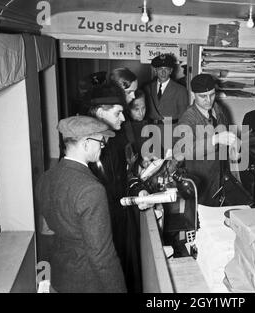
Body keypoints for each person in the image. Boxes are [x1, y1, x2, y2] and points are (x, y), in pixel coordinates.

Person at [35, 115, 126, 293]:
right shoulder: (91, 189)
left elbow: (46, 234)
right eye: (100, 141)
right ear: (85, 143)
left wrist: (43, 281)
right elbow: (102, 256)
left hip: (60, 276)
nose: (102, 146)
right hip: (89, 282)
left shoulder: (45, 179)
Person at [86, 91, 148, 293]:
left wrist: (138, 190)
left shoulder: (116, 140)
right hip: (102, 227)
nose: (123, 117)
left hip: (122, 221)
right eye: (118, 113)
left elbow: (127, 174)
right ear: (100, 113)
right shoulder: (85, 148)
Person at [176, 74, 239, 206]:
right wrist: (214, 139)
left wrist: (233, 145)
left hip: (221, 175)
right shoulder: (188, 118)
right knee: (200, 219)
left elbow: (226, 134)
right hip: (200, 179)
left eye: (211, 94)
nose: (208, 100)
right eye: (203, 96)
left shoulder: (218, 109)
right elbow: (185, 150)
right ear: (193, 95)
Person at [144, 54, 189, 125]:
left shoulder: (180, 90)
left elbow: (183, 116)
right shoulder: (148, 88)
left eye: (166, 69)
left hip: (171, 129)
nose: (163, 72)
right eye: (160, 69)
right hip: (151, 128)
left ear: (171, 71)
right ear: (155, 70)